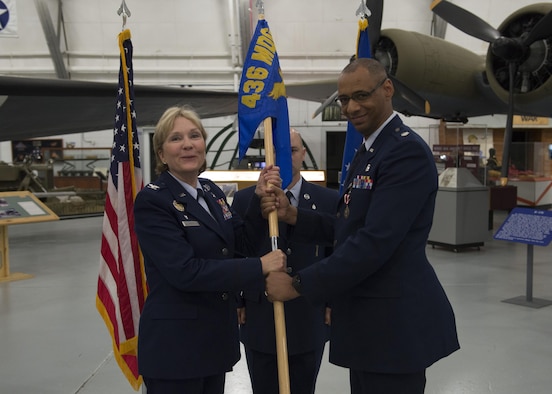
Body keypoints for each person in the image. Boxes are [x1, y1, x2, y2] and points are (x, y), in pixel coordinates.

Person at [263, 58, 460, 394]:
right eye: (343, 100)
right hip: (369, 323)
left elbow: (374, 242)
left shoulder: (404, 152)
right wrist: (293, 216)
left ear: (387, 89)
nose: (351, 107)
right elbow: (350, 225)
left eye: (361, 96)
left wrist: (298, 284)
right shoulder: (369, 151)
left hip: (394, 325)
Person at [133, 105, 286, 394]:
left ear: (204, 145)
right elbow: (185, 272)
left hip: (213, 342)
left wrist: (258, 200)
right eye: (176, 138)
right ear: (162, 154)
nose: (188, 144)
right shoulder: (153, 202)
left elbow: (241, 245)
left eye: (194, 135)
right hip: (176, 349)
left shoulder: (211, 192)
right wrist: (260, 267)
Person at [232, 128, 339, 394]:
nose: (285, 157)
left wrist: (332, 302)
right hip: (259, 316)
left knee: (304, 385)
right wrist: (239, 301)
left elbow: (334, 255)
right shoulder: (246, 199)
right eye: (278, 152)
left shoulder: (327, 200)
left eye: (291, 150)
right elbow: (237, 252)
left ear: (303, 154)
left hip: (309, 313)